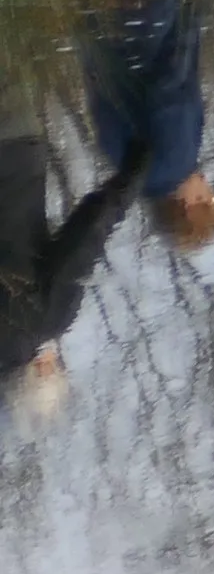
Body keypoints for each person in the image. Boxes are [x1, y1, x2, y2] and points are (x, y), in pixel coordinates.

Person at [82, 0, 214, 255]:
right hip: (99, 28)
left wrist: (191, 17)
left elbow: (171, 85)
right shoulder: (127, 171)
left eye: (210, 198)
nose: (210, 189)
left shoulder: (175, 161)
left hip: (145, 18)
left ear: (190, 205)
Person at [1, 131, 147, 426]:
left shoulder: (48, 321)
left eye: (58, 367)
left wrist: (138, 171)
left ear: (43, 370)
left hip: (11, 152)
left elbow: (88, 232)